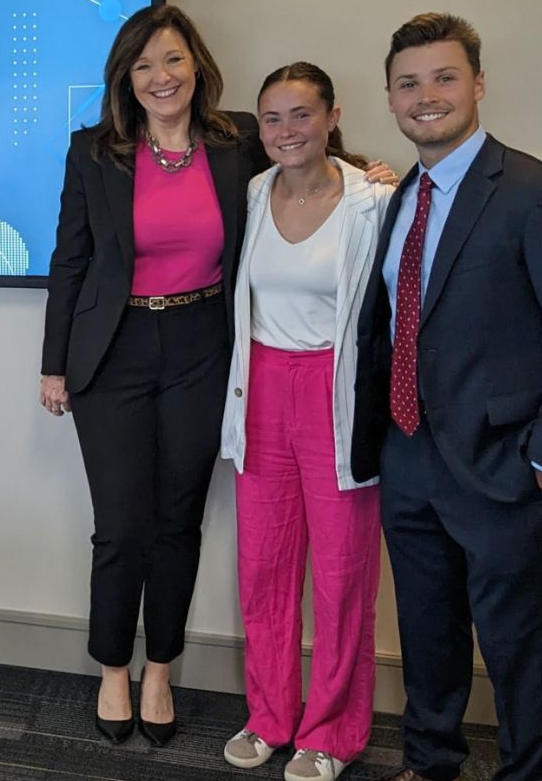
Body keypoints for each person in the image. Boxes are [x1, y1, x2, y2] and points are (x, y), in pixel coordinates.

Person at [352, 13, 542, 781]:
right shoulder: (402, 195)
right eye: (408, 83)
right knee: (428, 636)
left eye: (443, 77)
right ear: (391, 96)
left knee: (516, 648)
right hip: (409, 459)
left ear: (478, 84)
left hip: (507, 469)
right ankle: (430, 763)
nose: (425, 95)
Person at [40, 4, 271, 747]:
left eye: (171, 60)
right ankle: (113, 667)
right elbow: (70, 261)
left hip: (206, 343)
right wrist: (54, 365)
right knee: (122, 525)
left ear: (195, 64)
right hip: (113, 349)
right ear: (125, 79)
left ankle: (161, 669)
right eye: (142, 66)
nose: (160, 77)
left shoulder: (238, 142)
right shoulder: (93, 152)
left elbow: (312, 164)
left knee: (178, 520)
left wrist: (366, 171)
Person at [219, 63, 395, 781]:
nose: (286, 132)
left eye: (301, 115)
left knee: (343, 574)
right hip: (261, 389)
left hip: (337, 394)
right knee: (263, 568)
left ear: (331, 116)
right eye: (272, 119)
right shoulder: (255, 192)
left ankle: (332, 732)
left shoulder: (374, 199)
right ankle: (270, 718)